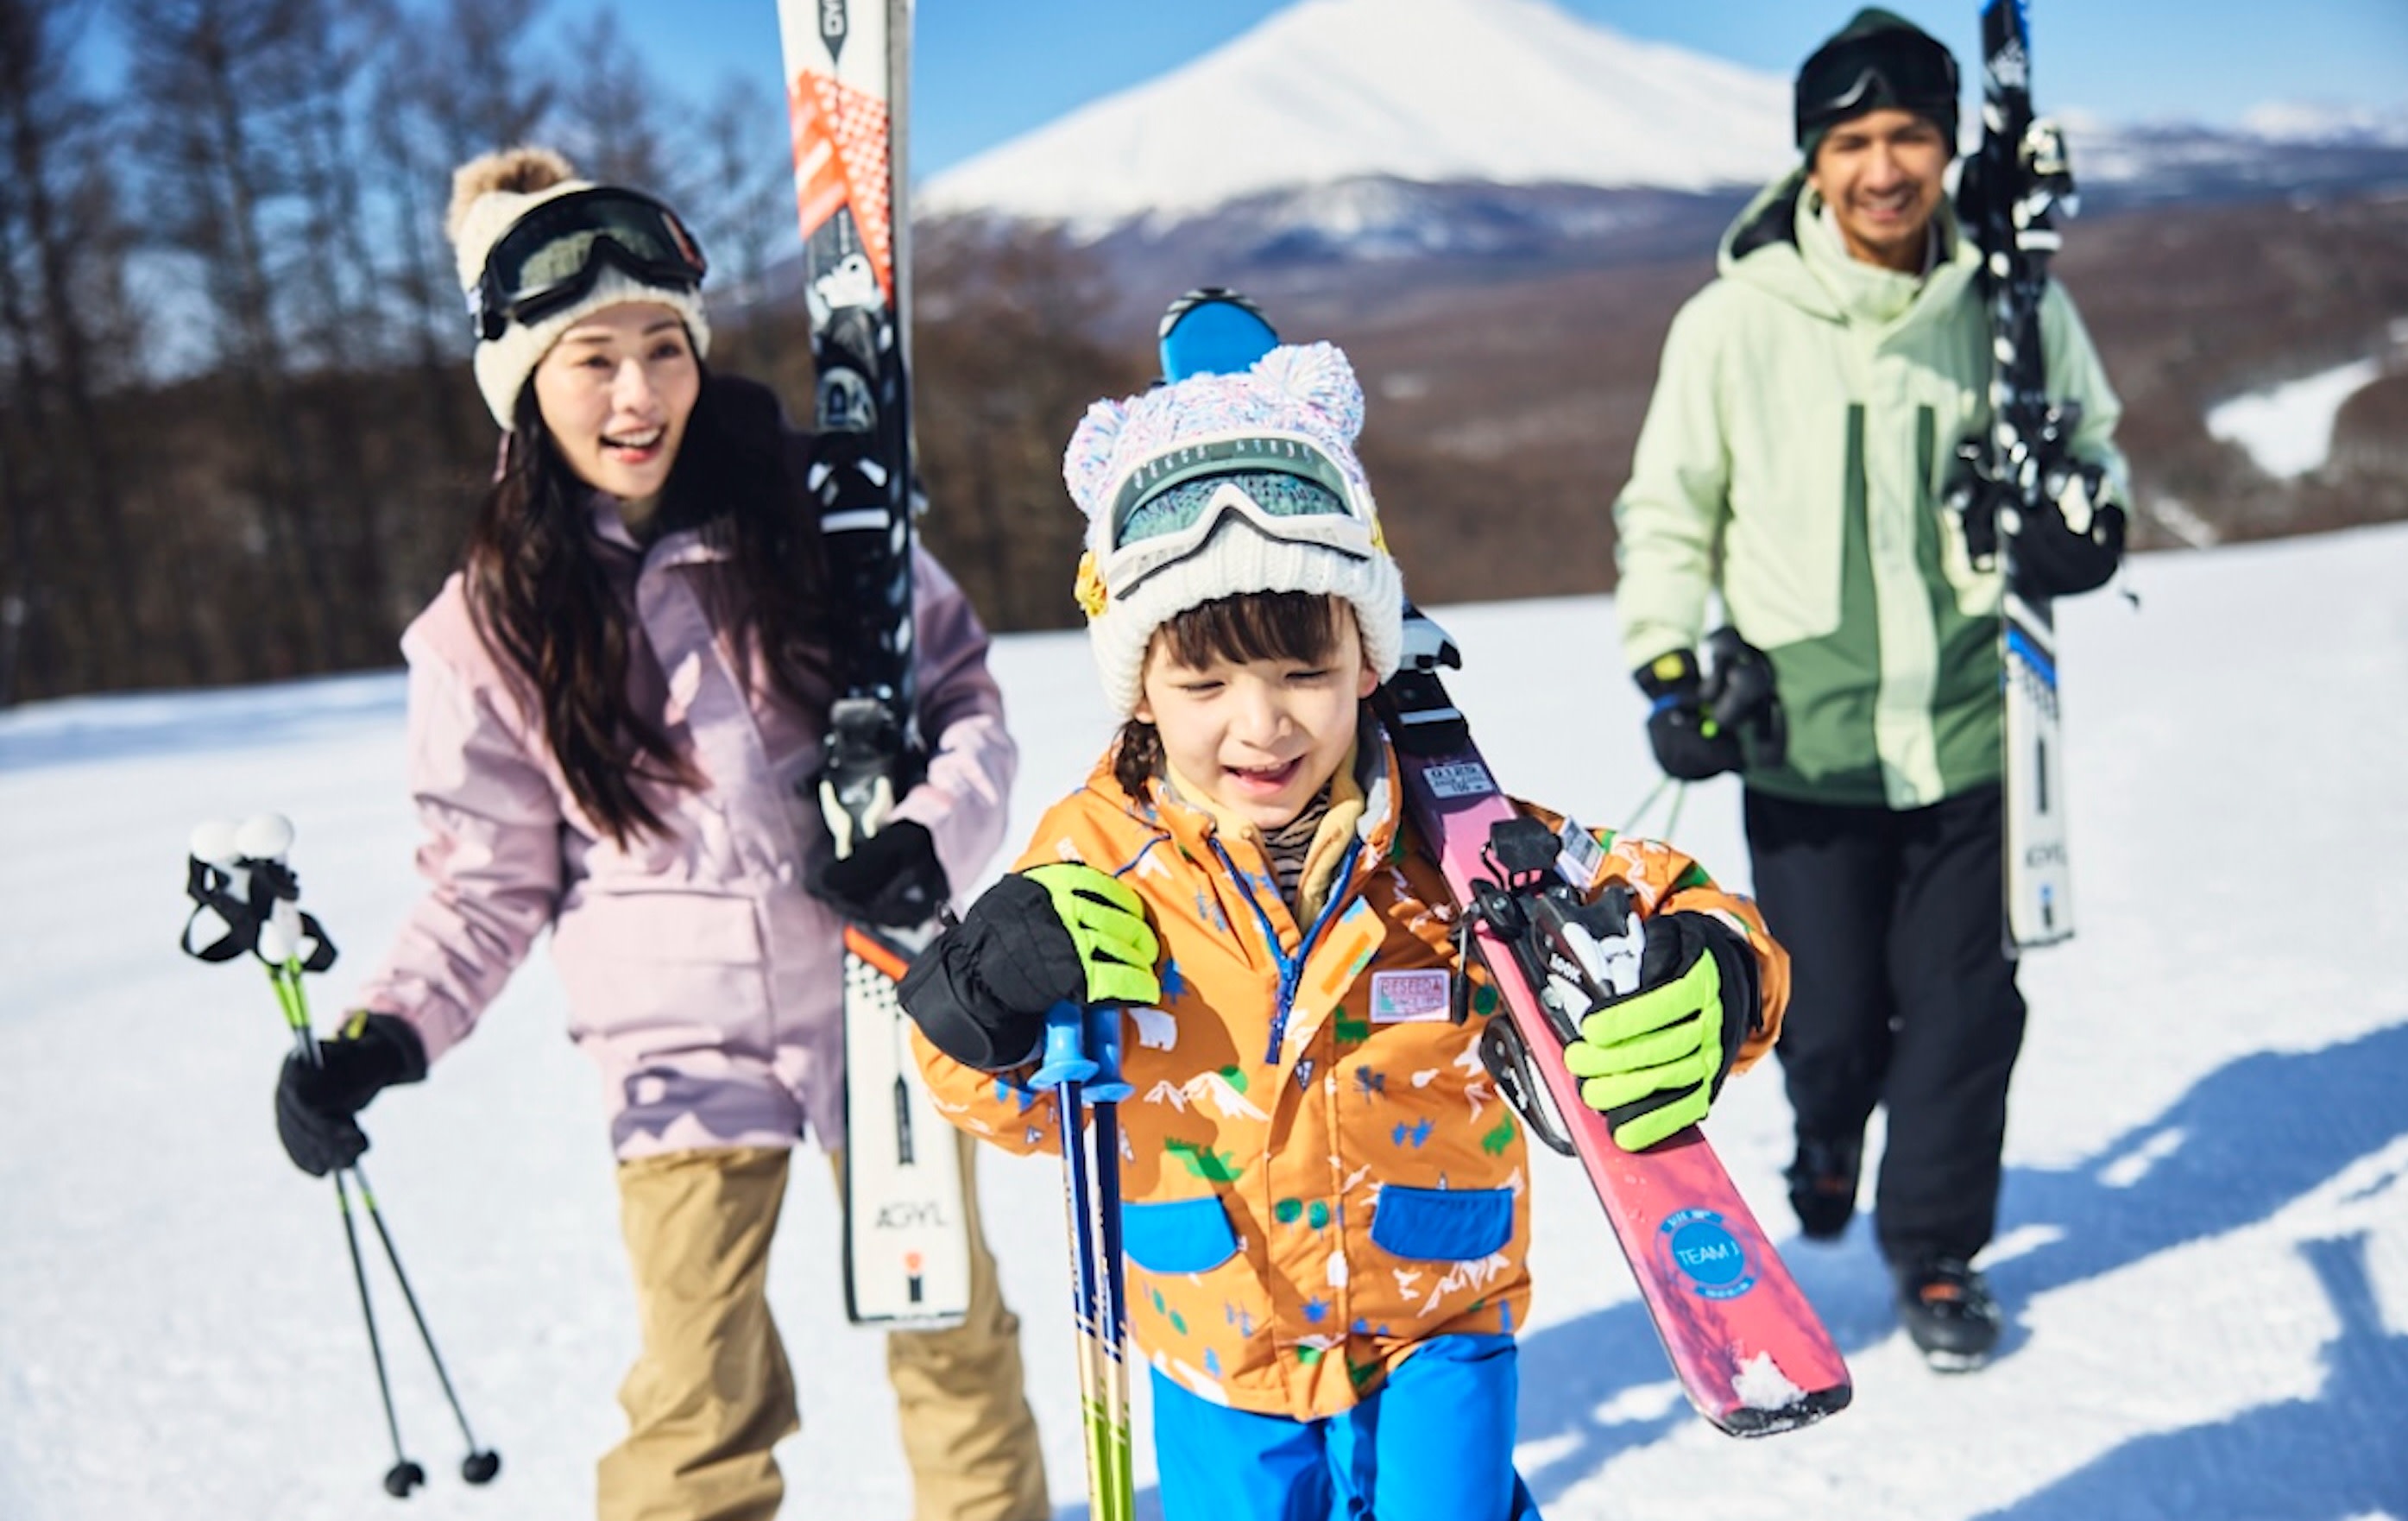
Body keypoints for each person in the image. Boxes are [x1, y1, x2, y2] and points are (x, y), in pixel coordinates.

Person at [266, 146, 1050, 1521]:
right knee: (698, 1383)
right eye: (592, 359)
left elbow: (968, 699)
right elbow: (485, 879)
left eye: (662, 349)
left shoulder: (823, 514)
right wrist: (387, 1028)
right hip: (673, 1041)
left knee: (950, 1334)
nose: (639, 395)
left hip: (880, 994)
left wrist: (929, 837)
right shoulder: (489, 623)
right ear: (522, 383)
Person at [898, 341, 1790, 1519]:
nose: (1260, 726)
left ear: (1363, 663)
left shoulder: (1458, 839)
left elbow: (1659, 891)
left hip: (1438, 1305)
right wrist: (983, 999)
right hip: (1213, 1324)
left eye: (1301, 672)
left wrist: (1716, 969)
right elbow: (1010, 1098)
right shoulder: (1095, 855)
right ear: (1141, 687)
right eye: (1205, 686)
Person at [1611, 7, 2130, 1373]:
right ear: (1811, 161)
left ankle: (1937, 1249)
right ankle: (1828, 1127)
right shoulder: (1735, 322)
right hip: (1808, 744)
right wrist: (1669, 659)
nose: (1885, 167)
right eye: (1854, 141)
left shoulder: (2012, 304)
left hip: (1976, 731)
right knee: (1827, 1014)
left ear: (1952, 148)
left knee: (1967, 1012)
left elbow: (2090, 445)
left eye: (1910, 135)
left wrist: (2091, 520)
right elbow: (1669, 508)